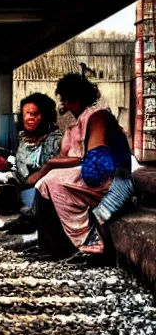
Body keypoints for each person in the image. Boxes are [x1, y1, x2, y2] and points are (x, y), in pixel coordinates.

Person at [33, 74, 132, 255]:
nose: (64, 106)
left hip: (113, 178)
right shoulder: (84, 119)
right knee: (45, 183)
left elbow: (95, 165)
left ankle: (84, 237)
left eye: (65, 101)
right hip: (101, 174)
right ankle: (52, 246)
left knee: (50, 182)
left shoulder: (98, 116)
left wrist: (51, 166)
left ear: (75, 100)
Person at [0, 93, 62, 233]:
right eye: (27, 113)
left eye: (35, 114)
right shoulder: (23, 139)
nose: (30, 118)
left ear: (45, 116)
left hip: (42, 196)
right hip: (23, 192)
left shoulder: (55, 140)